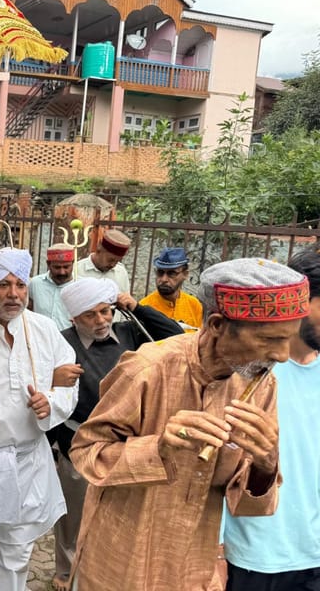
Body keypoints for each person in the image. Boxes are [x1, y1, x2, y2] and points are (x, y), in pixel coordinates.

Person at [68, 257, 310, 591]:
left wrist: (266, 465)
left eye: (288, 340)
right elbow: (85, 452)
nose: (282, 356)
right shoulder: (147, 369)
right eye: (269, 340)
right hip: (121, 562)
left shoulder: (262, 383)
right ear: (217, 325)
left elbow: (247, 504)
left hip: (193, 566)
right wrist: (158, 448)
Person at [0, 248, 78, 591]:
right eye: (3, 285)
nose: (14, 294)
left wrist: (51, 402)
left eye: (20, 285)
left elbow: (69, 383)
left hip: (28, 463)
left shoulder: (44, 329)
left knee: (17, 552)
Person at [49, 277, 183, 590]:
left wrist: (137, 308)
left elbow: (176, 338)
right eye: (90, 315)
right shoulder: (62, 343)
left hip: (129, 444)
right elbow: (52, 395)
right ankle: (67, 573)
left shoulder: (129, 333)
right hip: (79, 443)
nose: (101, 320)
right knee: (74, 514)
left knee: (122, 514)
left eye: (105, 311)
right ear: (74, 318)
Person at [222, 248, 320, 591]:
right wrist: (216, 548)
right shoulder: (246, 373)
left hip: (314, 555)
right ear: (300, 303)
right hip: (254, 554)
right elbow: (218, 464)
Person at [140, 246, 203, 331]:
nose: (164, 279)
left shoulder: (194, 305)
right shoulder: (145, 307)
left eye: (171, 273)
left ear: (185, 274)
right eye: (160, 272)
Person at [29, 243, 75, 330]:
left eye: (66, 267)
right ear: (48, 264)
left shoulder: (80, 286)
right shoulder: (35, 283)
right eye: (57, 267)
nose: (62, 272)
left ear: (73, 263)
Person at [76, 228, 131, 293]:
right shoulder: (77, 270)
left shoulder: (121, 272)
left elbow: (126, 295)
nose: (113, 265)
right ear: (99, 249)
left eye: (117, 261)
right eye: (111, 260)